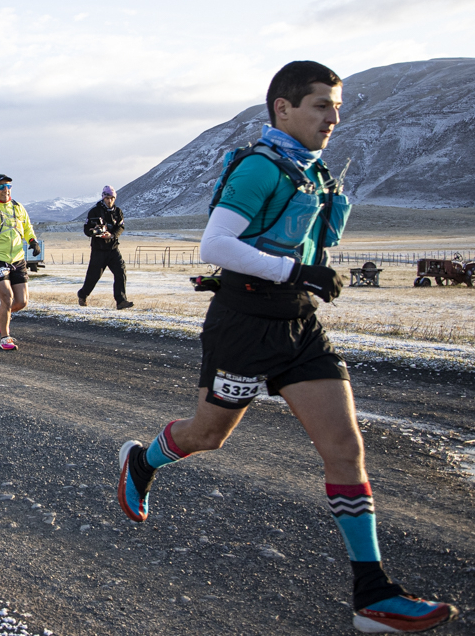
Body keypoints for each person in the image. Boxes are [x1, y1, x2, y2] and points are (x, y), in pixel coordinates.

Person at [115, 61, 457, 634]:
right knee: (207, 436)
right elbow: (215, 245)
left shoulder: (316, 174)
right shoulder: (259, 168)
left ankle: (372, 595)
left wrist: (312, 275)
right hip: (243, 326)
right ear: (283, 108)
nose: (333, 117)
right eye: (321, 105)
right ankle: (141, 461)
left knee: (346, 449)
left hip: (299, 326)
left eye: (338, 107)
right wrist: (295, 270)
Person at [0, 173, 39, 350]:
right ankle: (5, 337)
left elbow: (27, 227)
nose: (6, 190)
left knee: (21, 302)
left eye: (9, 186)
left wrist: (33, 241)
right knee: (7, 298)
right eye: (2, 186)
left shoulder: (18, 207)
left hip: (18, 258)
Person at [77, 186, 132, 309]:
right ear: (103, 198)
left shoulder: (118, 212)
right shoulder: (94, 211)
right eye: (107, 198)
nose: (109, 201)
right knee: (93, 276)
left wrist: (111, 235)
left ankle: (121, 301)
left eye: (112, 198)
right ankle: (83, 294)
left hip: (113, 248)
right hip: (98, 249)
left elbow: (121, 227)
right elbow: (86, 229)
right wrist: (94, 232)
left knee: (121, 272)